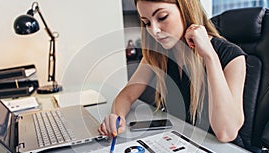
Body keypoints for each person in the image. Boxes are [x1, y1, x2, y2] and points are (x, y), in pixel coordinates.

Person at [98, 0, 246, 143]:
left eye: (162, 17)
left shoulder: (232, 57)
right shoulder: (157, 55)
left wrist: (209, 55)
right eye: (147, 22)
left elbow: (226, 133)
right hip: (183, 143)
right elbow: (127, 96)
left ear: (185, 9)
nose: (154, 30)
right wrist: (117, 117)